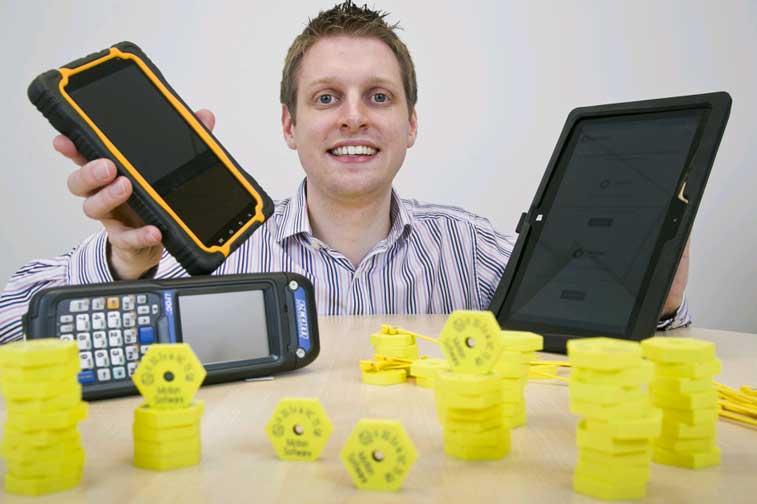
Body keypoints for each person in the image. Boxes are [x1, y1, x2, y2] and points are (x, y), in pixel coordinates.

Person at [0, 1, 690, 343]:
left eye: (379, 97)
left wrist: (654, 304)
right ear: (290, 126)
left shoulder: (474, 248)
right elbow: (9, 326)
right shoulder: (209, 248)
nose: (354, 118)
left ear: (410, 125)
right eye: (327, 98)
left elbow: (606, 338)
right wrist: (123, 266)